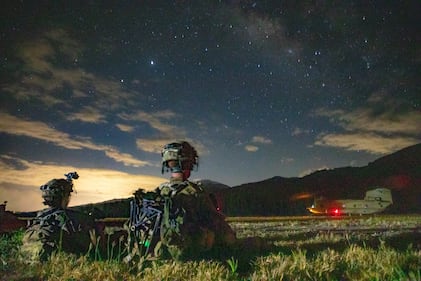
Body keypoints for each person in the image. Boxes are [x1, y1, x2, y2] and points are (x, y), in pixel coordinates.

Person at [127, 141, 236, 261]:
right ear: (188, 164)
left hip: (155, 249)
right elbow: (218, 225)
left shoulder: (158, 191)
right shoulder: (195, 192)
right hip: (185, 251)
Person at [21, 172, 95, 262]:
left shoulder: (40, 216)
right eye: (68, 195)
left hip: (29, 259)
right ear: (64, 196)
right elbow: (85, 245)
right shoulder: (71, 217)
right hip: (59, 261)